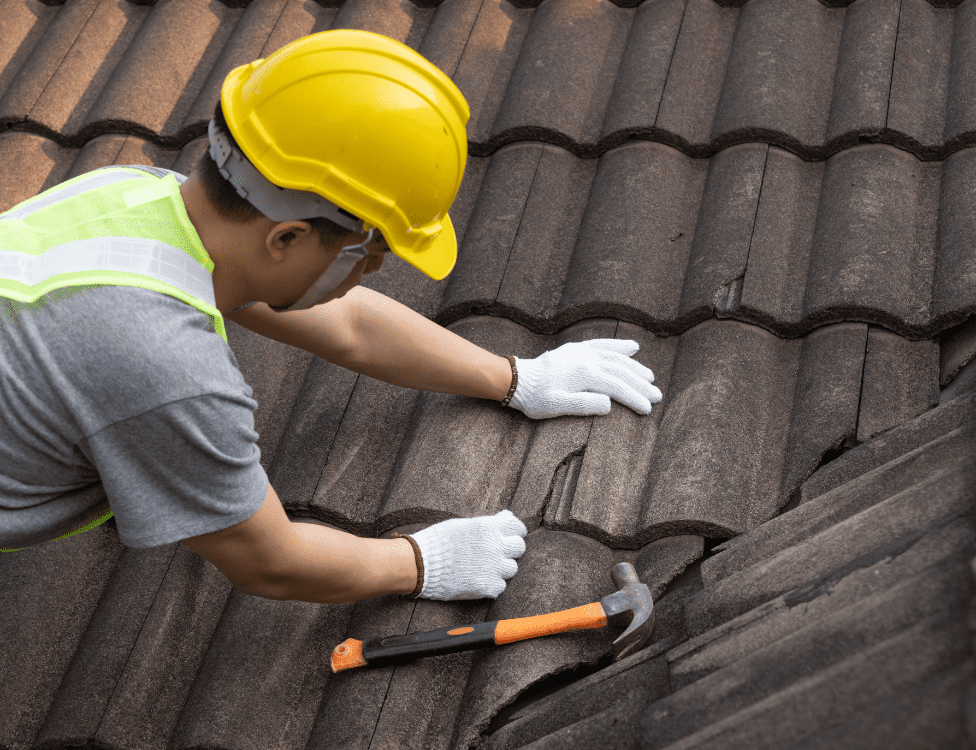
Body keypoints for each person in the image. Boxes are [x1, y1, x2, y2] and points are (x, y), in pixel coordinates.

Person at [0, 30, 661, 604]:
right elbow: (269, 561)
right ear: (285, 238)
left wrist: (517, 377)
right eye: (367, 254)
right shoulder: (164, 366)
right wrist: (420, 561)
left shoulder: (134, 194)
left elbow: (348, 326)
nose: (369, 273)